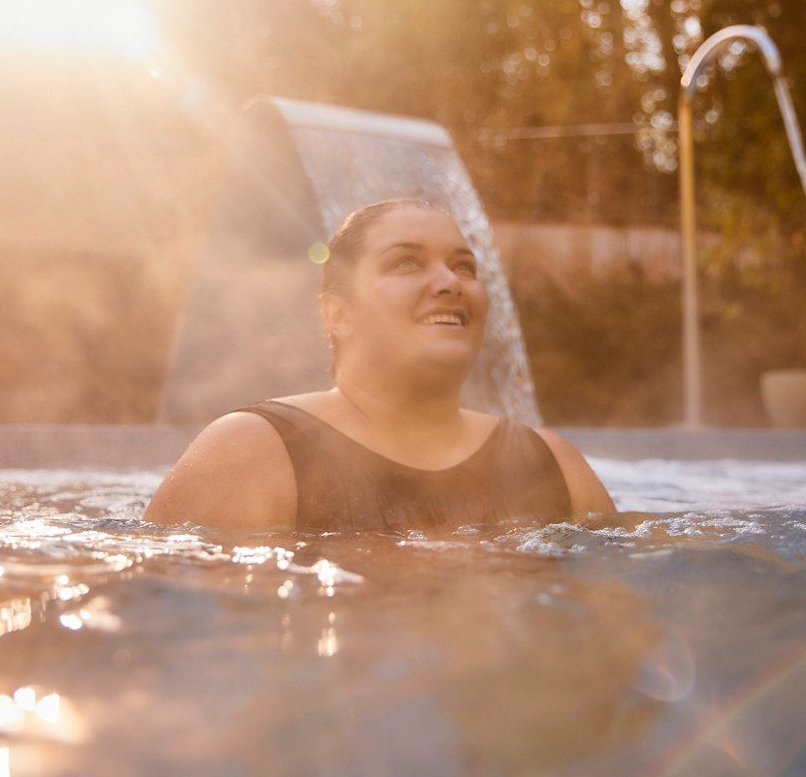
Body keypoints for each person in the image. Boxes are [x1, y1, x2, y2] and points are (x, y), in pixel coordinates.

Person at [144, 198, 614, 530]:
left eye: (465, 266)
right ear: (338, 314)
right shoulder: (254, 452)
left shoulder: (553, 465)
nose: (450, 282)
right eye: (407, 263)